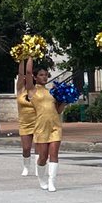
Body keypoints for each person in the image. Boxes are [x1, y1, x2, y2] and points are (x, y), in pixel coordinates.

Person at [22, 57, 65, 191]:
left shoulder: (51, 92)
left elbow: (58, 110)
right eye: (41, 75)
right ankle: (42, 179)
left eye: (46, 75)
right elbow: (28, 73)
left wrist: (64, 101)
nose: (44, 77)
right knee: (42, 157)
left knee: (54, 155)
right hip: (41, 127)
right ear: (35, 77)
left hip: (55, 126)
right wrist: (30, 56)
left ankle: (52, 182)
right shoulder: (32, 91)